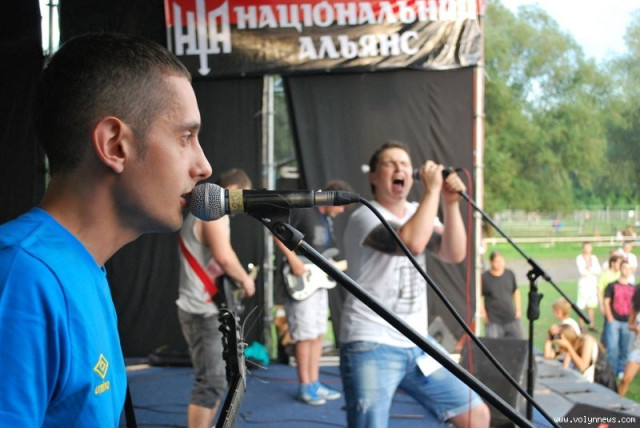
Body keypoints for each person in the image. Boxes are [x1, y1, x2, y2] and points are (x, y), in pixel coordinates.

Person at [0, 33, 212, 426]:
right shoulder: (22, 279)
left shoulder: (80, 268)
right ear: (115, 145)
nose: (204, 167)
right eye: (186, 137)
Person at [339, 141, 490, 428]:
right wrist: (432, 191)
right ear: (373, 176)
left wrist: (450, 203)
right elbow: (411, 243)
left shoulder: (417, 211)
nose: (400, 168)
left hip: (418, 341)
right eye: (390, 163)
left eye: (405, 164)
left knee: (476, 415)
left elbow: (453, 252)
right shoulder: (365, 215)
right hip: (372, 341)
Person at [177, 168, 256, 427]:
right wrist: (245, 280)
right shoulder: (213, 215)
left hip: (202, 307)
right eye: (243, 196)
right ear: (233, 189)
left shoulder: (203, 214)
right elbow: (224, 257)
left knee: (216, 381)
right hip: (201, 310)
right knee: (211, 383)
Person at [274, 180, 353, 405]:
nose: (341, 211)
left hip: (318, 283)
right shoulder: (304, 210)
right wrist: (293, 261)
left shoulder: (326, 221)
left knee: (318, 332)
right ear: (331, 198)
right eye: (340, 205)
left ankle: (314, 381)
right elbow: (277, 231)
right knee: (304, 334)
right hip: (300, 280)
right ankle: (304, 385)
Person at [480, 251, 524, 339]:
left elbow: (516, 292)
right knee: (493, 343)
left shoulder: (509, 274)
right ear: (491, 262)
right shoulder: (484, 277)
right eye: (497, 261)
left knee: (520, 339)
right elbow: (479, 296)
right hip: (493, 320)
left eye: (501, 261)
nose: (499, 264)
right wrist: (483, 313)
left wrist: (518, 309)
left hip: (511, 317)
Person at [604, 260, 636, 377]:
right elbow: (606, 302)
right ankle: (611, 370)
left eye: (629, 268)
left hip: (627, 321)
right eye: (624, 268)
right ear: (620, 269)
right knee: (612, 348)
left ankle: (622, 369)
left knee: (626, 348)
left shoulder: (633, 288)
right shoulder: (612, 285)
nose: (626, 271)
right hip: (614, 320)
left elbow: (634, 306)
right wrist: (610, 317)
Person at [618, 285, 640, 396]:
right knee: (625, 379)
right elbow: (629, 325)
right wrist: (635, 328)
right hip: (637, 348)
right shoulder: (636, 308)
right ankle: (616, 402)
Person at [575, 242, 601, 332]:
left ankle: (591, 325)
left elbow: (598, 270)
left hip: (592, 284)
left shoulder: (594, 258)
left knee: (591, 305)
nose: (588, 249)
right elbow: (582, 272)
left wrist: (589, 269)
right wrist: (591, 270)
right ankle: (581, 326)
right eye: (586, 247)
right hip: (583, 285)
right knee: (581, 306)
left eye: (589, 247)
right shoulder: (579, 258)